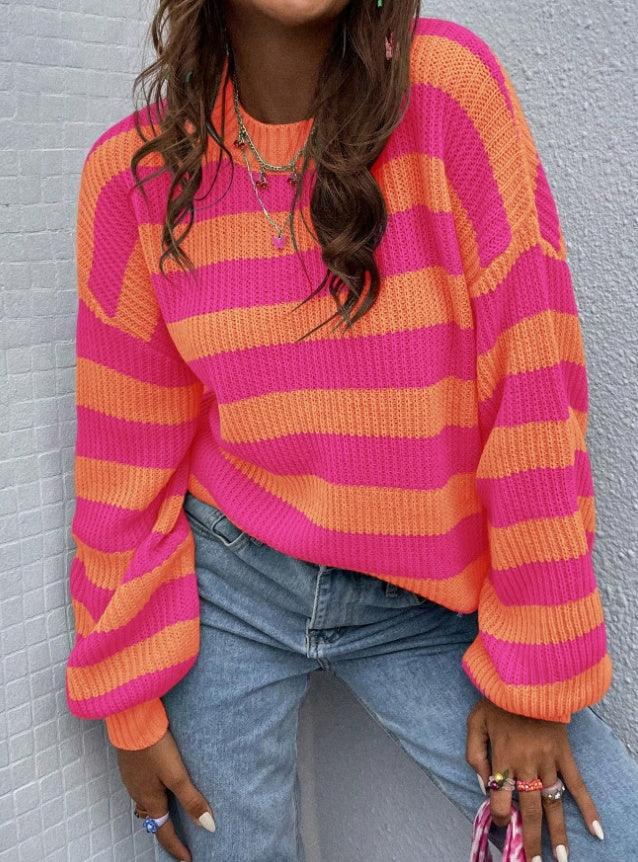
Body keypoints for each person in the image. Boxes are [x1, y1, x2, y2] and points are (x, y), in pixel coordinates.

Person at [66, 2, 638, 860]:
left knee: (607, 842)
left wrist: (535, 680)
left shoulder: (447, 94)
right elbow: (123, 453)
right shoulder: (134, 175)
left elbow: (533, 383)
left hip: (430, 594)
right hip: (232, 585)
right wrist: (128, 696)